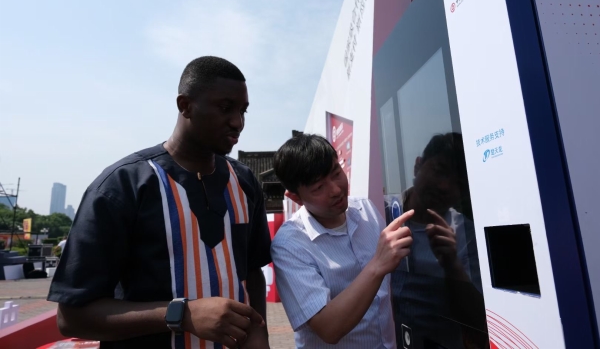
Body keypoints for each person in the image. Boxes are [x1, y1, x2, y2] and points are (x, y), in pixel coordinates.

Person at [48, 56, 272, 349]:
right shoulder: (122, 186)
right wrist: (181, 314)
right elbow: (71, 317)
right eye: (225, 107)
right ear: (185, 105)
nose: (237, 122)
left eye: (243, 111)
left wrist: (259, 332)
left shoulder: (245, 182)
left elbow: (252, 270)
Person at [270, 133, 414, 348]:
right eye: (319, 187)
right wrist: (377, 265)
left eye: (336, 173)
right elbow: (329, 328)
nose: (336, 190)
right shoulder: (289, 246)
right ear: (295, 197)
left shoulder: (365, 210)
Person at [386, 133, 487, 349]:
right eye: (440, 170)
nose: (444, 186)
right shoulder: (381, 213)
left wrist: (452, 265)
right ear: (417, 166)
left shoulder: (467, 234)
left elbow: (478, 321)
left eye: (458, 183)